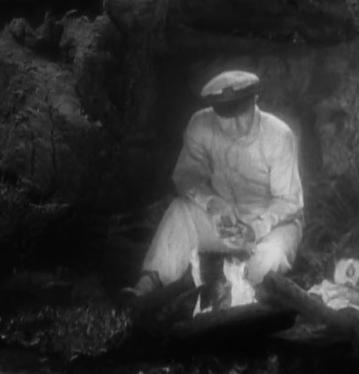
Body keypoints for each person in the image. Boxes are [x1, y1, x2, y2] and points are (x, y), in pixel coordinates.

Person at [123, 70, 304, 302]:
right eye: (227, 117)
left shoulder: (279, 135)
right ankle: (145, 288)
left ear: (255, 101)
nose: (236, 125)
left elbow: (289, 202)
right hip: (225, 222)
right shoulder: (200, 125)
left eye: (243, 113)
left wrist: (256, 228)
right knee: (181, 211)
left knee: (272, 254)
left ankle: (239, 298)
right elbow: (186, 176)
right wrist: (212, 203)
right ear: (215, 111)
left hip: (274, 224)